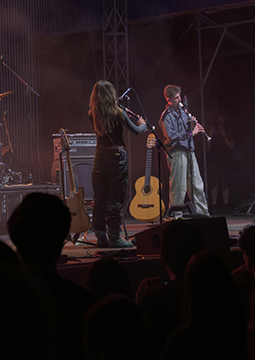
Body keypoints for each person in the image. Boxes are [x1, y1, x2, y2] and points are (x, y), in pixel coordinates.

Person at [89, 80, 148, 248]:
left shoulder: (92, 113)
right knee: (115, 196)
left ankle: (101, 237)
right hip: (116, 156)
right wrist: (143, 125)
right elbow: (135, 131)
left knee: (100, 197)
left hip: (100, 156)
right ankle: (114, 237)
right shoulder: (118, 112)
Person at [159, 85, 209, 217]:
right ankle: (176, 216)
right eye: (176, 98)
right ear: (169, 100)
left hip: (189, 151)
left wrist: (192, 125)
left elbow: (186, 131)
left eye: (179, 96)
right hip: (177, 153)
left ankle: (203, 214)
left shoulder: (183, 112)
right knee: (178, 187)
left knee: (197, 185)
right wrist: (192, 133)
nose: (180, 99)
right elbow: (172, 137)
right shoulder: (166, 116)